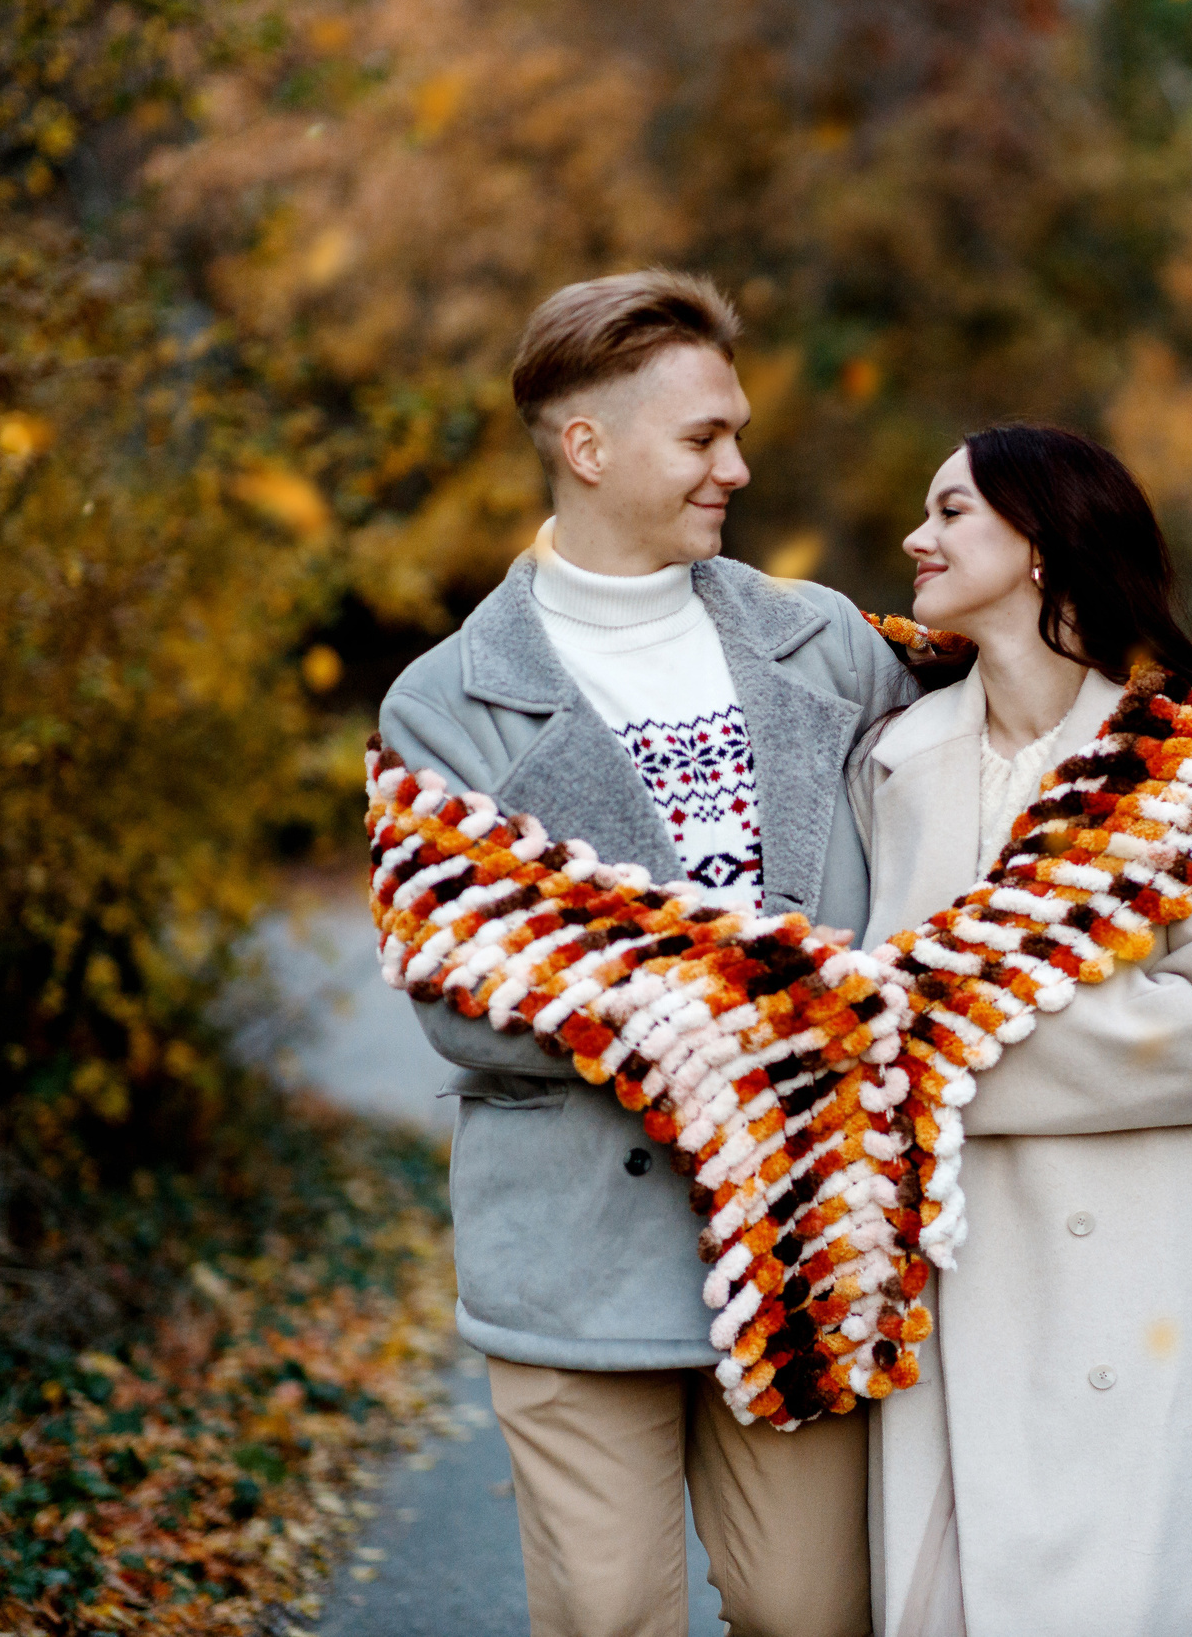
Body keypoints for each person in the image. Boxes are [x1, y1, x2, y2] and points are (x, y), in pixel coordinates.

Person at [377, 270, 910, 1637]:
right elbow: (465, 985)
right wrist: (762, 1014)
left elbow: (954, 820)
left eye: (736, 430)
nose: (737, 463)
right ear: (588, 446)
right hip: (575, 1238)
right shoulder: (446, 702)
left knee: (815, 1609)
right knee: (609, 1612)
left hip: (802, 1230)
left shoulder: (828, 643)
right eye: (703, 437)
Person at [855, 424, 1192, 1637]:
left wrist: (940, 1045)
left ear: (1042, 545)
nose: (917, 537)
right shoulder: (893, 760)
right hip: (962, 1265)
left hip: (1153, 1260)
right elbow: (856, 1011)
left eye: (950, 512)